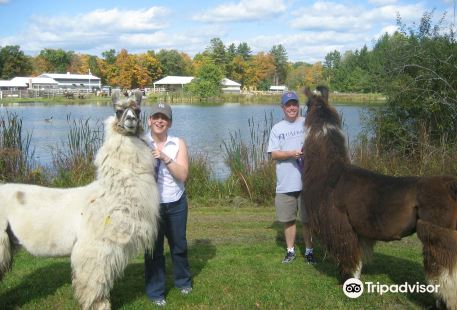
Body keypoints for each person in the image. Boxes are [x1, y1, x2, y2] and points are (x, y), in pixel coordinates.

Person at [144, 102, 192, 306]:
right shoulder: (139, 142)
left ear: (170, 122)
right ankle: (156, 291)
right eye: (156, 116)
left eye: (164, 118)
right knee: (153, 250)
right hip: (150, 206)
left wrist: (164, 157)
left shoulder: (178, 143)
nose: (159, 121)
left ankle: (183, 282)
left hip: (176, 203)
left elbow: (183, 176)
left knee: (179, 246)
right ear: (149, 120)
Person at [267, 91, 316, 264]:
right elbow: (273, 154)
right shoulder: (277, 129)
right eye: (288, 105)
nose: (292, 108)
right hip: (285, 183)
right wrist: (291, 154)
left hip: (307, 183)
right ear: (283, 108)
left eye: (294, 104)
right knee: (288, 220)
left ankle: (310, 252)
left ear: (299, 106)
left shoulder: (307, 124)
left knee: (308, 220)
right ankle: (290, 251)